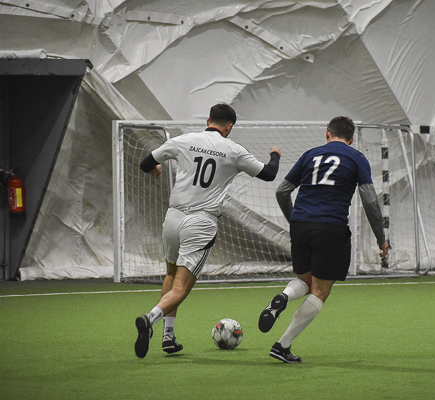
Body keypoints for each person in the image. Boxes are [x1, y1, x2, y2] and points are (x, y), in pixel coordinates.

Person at [135, 103, 281, 358]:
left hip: (173, 218)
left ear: (208, 120)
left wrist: (154, 168)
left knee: (170, 273)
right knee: (182, 287)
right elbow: (269, 174)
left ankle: (168, 336)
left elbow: (146, 163)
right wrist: (275, 155)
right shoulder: (233, 150)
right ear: (230, 127)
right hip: (200, 222)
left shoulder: (184, 140)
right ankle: (150, 319)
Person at [258, 116, 389, 363]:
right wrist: (381, 238)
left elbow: (282, 191)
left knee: (306, 281)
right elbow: (370, 200)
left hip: (301, 226)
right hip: (330, 227)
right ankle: (282, 345)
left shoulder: (310, 155)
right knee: (320, 291)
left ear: (327, 133)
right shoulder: (356, 158)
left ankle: (284, 296)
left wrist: (294, 221)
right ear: (351, 140)